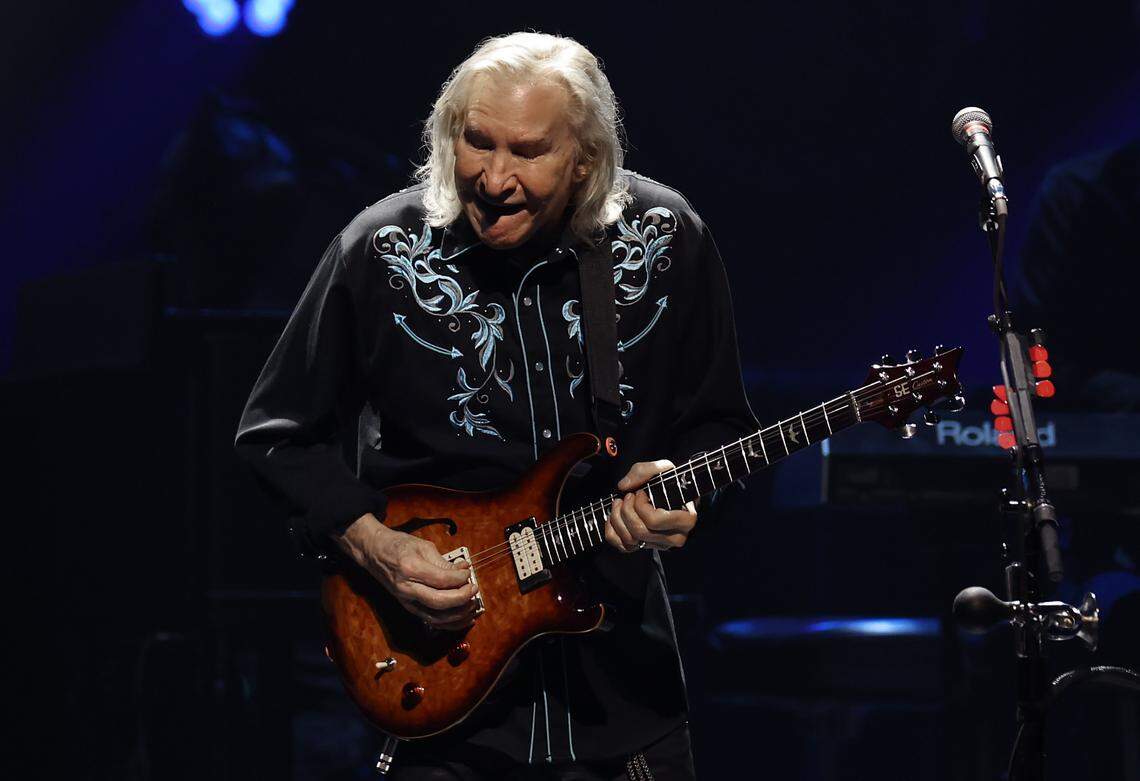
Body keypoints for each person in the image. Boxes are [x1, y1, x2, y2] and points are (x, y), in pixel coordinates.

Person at [235, 31, 757, 780]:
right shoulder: (380, 249)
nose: (492, 176)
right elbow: (276, 438)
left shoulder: (668, 237)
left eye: (528, 151)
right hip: (442, 712)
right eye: (475, 142)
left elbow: (722, 426)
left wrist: (683, 486)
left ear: (585, 156)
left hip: (621, 712)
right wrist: (376, 545)